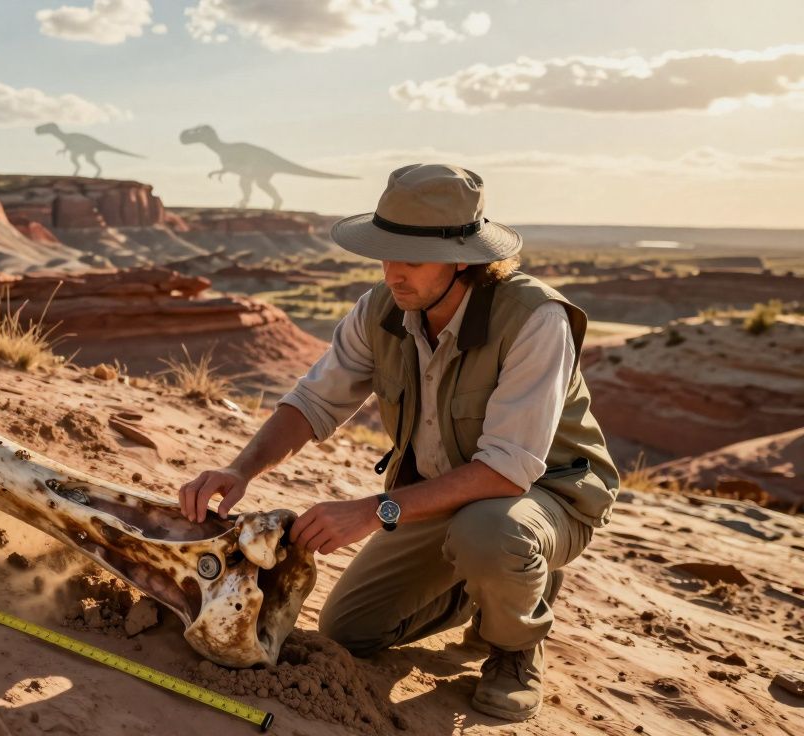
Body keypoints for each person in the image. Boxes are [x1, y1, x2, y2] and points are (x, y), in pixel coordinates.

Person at [178, 164, 619, 722]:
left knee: (493, 532)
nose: (392, 274)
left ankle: (514, 647)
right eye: (384, 255)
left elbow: (508, 471)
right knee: (350, 630)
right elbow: (315, 403)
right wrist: (241, 469)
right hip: (442, 496)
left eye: (410, 259)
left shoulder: (535, 319)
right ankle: (492, 584)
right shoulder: (381, 310)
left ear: (464, 257)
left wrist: (375, 510)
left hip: (544, 496)